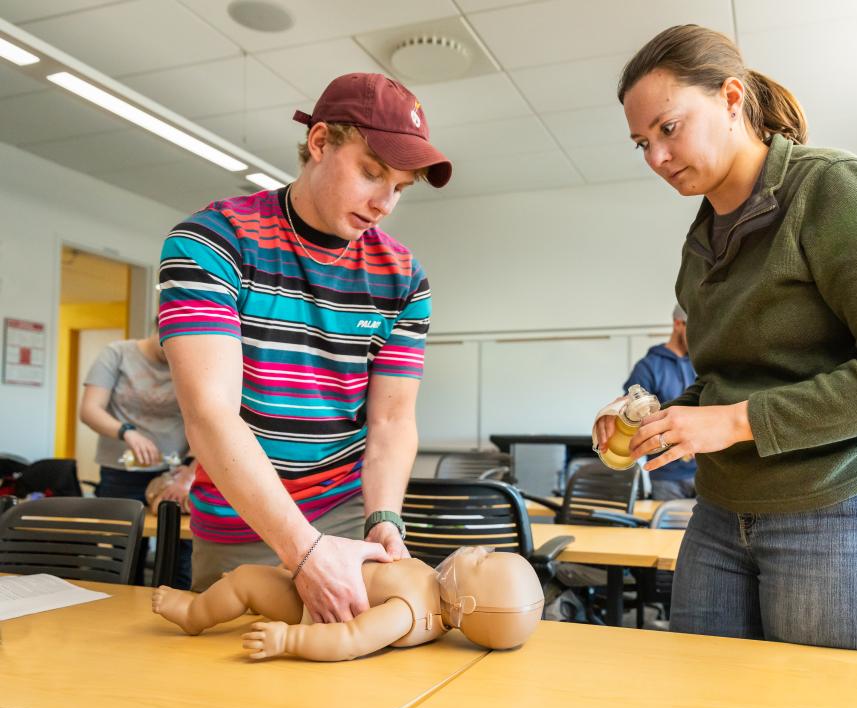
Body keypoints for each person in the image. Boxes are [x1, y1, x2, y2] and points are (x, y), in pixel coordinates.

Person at [595, 25, 857, 654]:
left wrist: (734, 421)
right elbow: (729, 376)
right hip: (721, 512)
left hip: (844, 509)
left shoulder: (830, 189)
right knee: (706, 705)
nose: (655, 157)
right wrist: (655, 416)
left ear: (732, 98)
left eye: (668, 128)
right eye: (641, 143)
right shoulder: (699, 244)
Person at [157, 73, 452, 623]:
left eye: (400, 188)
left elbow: (391, 420)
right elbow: (209, 413)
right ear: (319, 143)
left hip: (341, 517)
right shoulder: (212, 241)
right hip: (240, 522)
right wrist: (301, 550)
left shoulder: (404, 277)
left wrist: (383, 516)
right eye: (372, 173)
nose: (385, 203)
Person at [150, 546, 544, 660]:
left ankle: (192, 614)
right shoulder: (435, 588)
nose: (478, 550)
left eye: (483, 560)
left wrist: (289, 640)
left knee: (244, 580)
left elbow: (350, 639)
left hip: (310, 606)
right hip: (319, 573)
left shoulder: (408, 613)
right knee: (259, 580)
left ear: (468, 604)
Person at [79, 333, 194, 588]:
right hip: (121, 471)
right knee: (125, 554)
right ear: (160, 327)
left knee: (179, 554)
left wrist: (191, 469)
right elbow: (89, 410)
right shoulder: (117, 354)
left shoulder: (191, 357)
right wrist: (127, 432)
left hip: (175, 473)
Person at [622, 304, 696, 499]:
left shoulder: (702, 365)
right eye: (695, 328)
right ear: (678, 324)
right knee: (667, 529)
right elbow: (633, 418)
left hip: (706, 472)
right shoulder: (648, 367)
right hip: (666, 475)